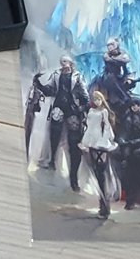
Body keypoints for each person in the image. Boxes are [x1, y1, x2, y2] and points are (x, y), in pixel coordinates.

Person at [46, 55, 89, 191]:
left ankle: (73, 180)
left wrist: (83, 107)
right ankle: (52, 160)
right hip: (59, 105)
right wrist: (41, 86)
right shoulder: (56, 74)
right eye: (61, 61)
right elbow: (50, 89)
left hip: (72, 109)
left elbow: (84, 94)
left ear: (70, 63)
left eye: (65, 61)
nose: (63, 63)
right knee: (54, 132)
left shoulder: (77, 76)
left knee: (74, 141)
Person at [80, 84, 118, 219]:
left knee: (102, 174)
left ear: (102, 100)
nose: (96, 101)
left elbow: (107, 127)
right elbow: (88, 126)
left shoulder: (104, 112)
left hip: (100, 141)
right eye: (94, 99)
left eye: (98, 99)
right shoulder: (91, 111)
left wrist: (105, 140)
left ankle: (105, 206)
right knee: (95, 172)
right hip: (90, 140)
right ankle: (102, 205)